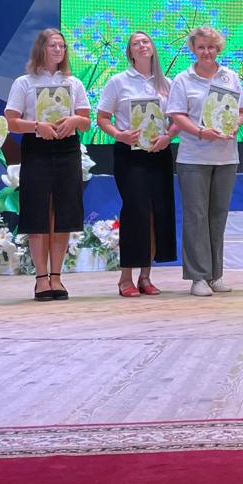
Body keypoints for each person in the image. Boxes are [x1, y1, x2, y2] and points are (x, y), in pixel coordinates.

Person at [5, 28, 91, 302]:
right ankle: (41, 278)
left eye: (62, 46)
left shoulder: (73, 83)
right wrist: (36, 126)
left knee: (63, 213)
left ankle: (57, 276)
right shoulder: (24, 82)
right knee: (38, 212)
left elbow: (86, 121)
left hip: (67, 149)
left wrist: (74, 120)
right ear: (41, 48)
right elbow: (10, 122)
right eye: (53, 45)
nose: (58, 50)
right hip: (37, 148)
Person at [166, 25, 243, 297]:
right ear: (193, 49)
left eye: (211, 47)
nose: (206, 52)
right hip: (193, 157)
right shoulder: (183, 79)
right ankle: (198, 277)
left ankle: (215, 275)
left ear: (218, 48)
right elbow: (177, 115)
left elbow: (241, 111)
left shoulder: (230, 77)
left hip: (226, 157)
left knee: (218, 216)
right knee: (196, 216)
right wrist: (201, 131)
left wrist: (234, 124)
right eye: (201, 47)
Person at [96, 31, 178, 298]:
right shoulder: (118, 81)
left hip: (159, 153)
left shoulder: (167, 83)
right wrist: (119, 134)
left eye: (146, 42)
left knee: (157, 212)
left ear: (153, 48)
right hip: (129, 155)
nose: (142, 46)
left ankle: (146, 276)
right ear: (129, 52)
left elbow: (177, 118)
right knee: (135, 212)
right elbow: (102, 118)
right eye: (136, 43)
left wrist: (168, 136)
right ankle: (125, 278)